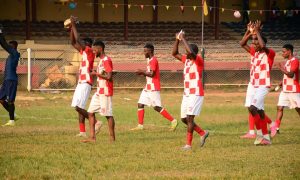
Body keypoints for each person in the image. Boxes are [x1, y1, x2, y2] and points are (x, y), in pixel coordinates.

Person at [239, 20, 276, 145]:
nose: (253, 43)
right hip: (252, 84)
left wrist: (258, 32)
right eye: (253, 41)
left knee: (253, 107)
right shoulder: (254, 52)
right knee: (258, 111)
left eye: (256, 41)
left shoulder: (270, 53)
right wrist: (250, 33)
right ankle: (266, 137)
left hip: (263, 85)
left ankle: (259, 135)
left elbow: (263, 45)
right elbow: (242, 43)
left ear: (262, 42)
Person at [172, 31, 209, 150]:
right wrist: (177, 39)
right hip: (187, 93)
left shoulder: (198, 60)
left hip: (196, 93)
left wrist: (183, 39)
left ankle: (188, 145)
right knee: (184, 119)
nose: (185, 53)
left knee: (190, 118)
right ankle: (202, 133)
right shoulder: (186, 60)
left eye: (187, 52)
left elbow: (191, 52)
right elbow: (174, 53)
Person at [130, 43, 178, 131]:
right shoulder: (149, 60)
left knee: (156, 107)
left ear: (150, 51)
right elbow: (149, 73)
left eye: (145, 51)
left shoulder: (153, 60)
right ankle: (140, 125)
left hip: (153, 87)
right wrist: (143, 73)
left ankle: (173, 120)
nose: (144, 53)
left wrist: (142, 72)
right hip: (147, 87)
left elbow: (152, 74)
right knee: (140, 104)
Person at [69, 16, 102, 137]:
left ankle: (97, 121)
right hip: (81, 82)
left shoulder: (89, 50)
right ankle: (82, 132)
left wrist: (73, 24)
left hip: (85, 82)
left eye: (85, 43)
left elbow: (77, 40)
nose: (82, 45)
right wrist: (70, 29)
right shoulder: (84, 52)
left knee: (78, 107)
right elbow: (73, 42)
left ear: (88, 45)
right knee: (79, 107)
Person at [81, 40, 115, 143]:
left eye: (95, 50)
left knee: (108, 115)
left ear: (100, 49)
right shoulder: (101, 61)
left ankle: (112, 139)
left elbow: (109, 77)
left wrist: (96, 74)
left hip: (105, 91)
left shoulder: (106, 60)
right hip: (99, 91)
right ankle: (92, 138)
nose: (94, 52)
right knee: (90, 113)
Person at [270, 44, 300, 137]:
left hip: (294, 90)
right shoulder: (287, 62)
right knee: (279, 107)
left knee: (298, 109)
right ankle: (276, 129)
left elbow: (290, 75)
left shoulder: (295, 61)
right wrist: (279, 85)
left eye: (284, 52)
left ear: (289, 51)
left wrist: (280, 67)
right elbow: (286, 77)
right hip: (285, 90)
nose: (282, 54)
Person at [0, 26, 19, 126]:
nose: (9, 47)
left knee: (10, 101)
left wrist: (1, 34)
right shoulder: (10, 55)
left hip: (11, 80)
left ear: (14, 47)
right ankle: (13, 115)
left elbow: (4, 45)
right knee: (1, 99)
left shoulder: (15, 53)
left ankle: (11, 121)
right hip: (6, 80)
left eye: (10, 46)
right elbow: (4, 45)